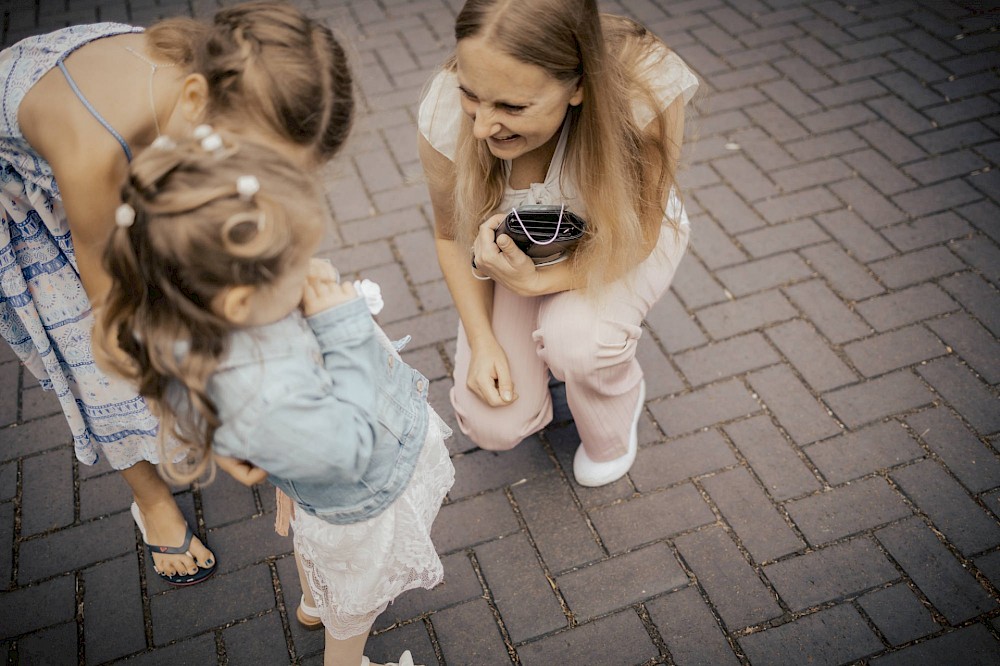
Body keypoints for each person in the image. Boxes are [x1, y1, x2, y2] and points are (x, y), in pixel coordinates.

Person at [0, 1, 353, 585]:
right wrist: (207, 422)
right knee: (98, 358)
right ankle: (151, 499)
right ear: (195, 100)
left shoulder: (217, 81)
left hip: (122, 138)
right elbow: (113, 321)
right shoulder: (93, 155)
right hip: (32, 189)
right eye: (254, 166)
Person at [95, 130, 454, 666]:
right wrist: (343, 328)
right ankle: (345, 657)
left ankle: (315, 599)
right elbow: (350, 446)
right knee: (356, 603)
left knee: (319, 554)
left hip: (324, 490)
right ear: (242, 299)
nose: (314, 266)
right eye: (298, 260)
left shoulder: (197, 322)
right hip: (362, 490)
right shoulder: (268, 388)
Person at [418, 0, 699, 487]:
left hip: (620, 239)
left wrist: (537, 285)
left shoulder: (643, 93)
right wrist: (484, 342)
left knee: (579, 342)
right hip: (523, 256)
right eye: (471, 94)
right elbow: (449, 235)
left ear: (579, 86)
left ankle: (614, 404)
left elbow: (640, 235)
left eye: (512, 106)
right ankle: (540, 351)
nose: (481, 127)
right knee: (493, 423)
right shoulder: (445, 111)